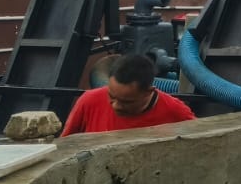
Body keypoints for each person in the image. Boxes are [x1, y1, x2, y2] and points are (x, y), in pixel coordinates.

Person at [61, 53, 194, 136]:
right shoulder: (88, 101)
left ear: (149, 92)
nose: (116, 106)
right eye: (111, 96)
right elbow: (64, 147)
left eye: (127, 102)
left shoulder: (176, 112)